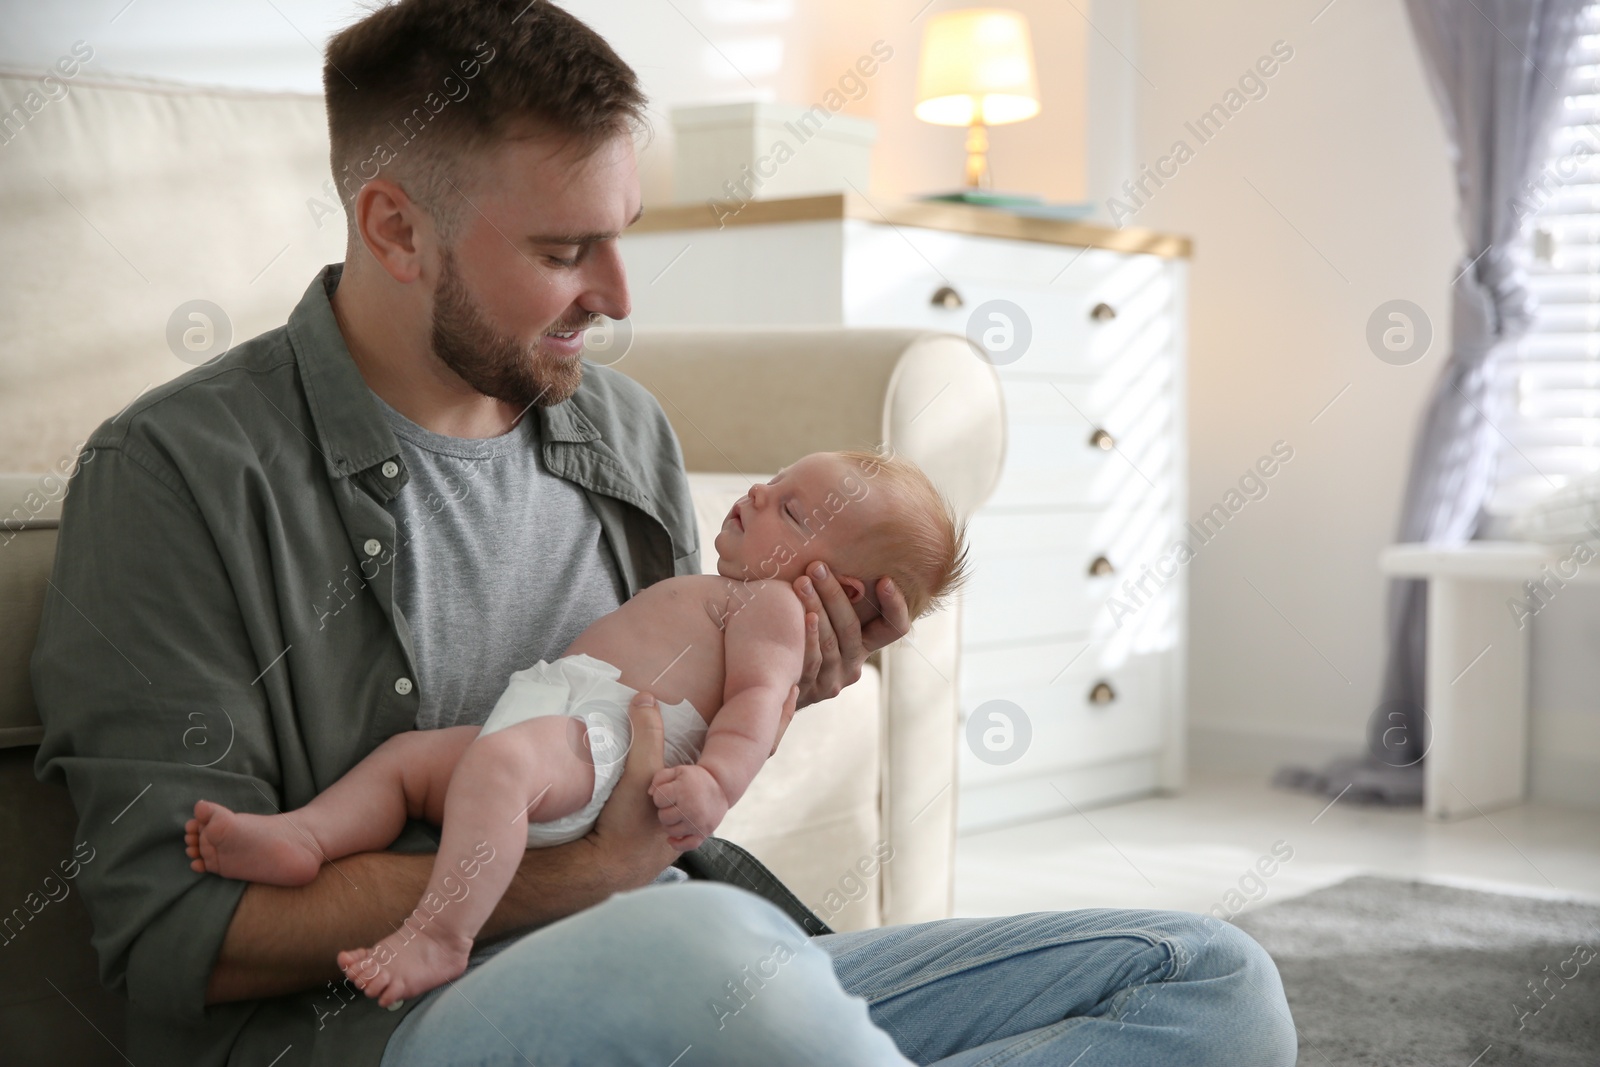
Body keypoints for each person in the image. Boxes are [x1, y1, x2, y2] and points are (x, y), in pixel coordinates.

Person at [31, 1, 1298, 1064]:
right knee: (715, 954)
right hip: (400, 1018)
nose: (621, 298)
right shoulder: (177, 478)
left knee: (1209, 978)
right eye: (565, 248)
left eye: (621, 237)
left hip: (704, 966)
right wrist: (584, 880)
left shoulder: (621, 432)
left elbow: (656, 717)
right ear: (394, 228)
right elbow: (176, 929)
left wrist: (771, 694)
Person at [183, 449, 968, 1009]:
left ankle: (440, 932)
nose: (760, 492)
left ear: (833, 585)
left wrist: (716, 783)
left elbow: (756, 707)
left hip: (611, 740)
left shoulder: (767, 607)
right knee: (411, 760)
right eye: (778, 478)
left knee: (494, 771)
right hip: (560, 714)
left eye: (792, 509)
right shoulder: (729, 589)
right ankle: (307, 837)